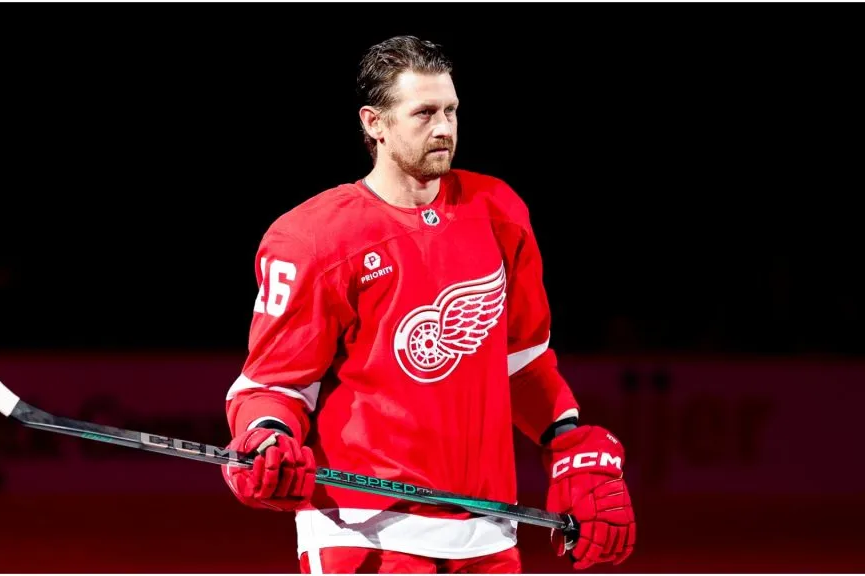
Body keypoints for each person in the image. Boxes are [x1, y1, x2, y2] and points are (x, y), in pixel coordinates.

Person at [223, 35, 636, 574]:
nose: (444, 128)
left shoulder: (499, 212)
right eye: (424, 113)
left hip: (488, 531)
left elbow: (523, 362)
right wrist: (267, 438)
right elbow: (273, 385)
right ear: (374, 123)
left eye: (451, 111)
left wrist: (567, 440)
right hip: (362, 532)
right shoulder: (313, 238)